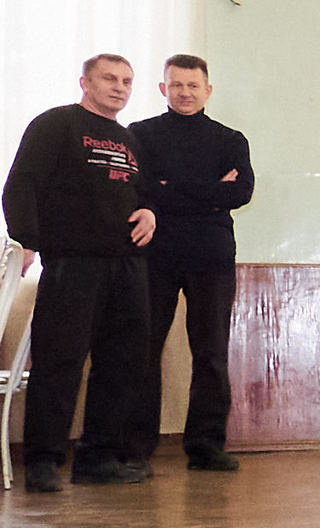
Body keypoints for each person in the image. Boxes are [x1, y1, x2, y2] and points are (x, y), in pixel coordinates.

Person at [3, 54, 157, 493]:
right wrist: (26, 239)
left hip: (127, 264)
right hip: (73, 262)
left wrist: (149, 211)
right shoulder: (56, 124)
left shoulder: (129, 139)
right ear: (85, 82)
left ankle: (98, 458)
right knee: (60, 360)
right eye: (109, 78)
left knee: (123, 363)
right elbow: (21, 184)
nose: (120, 87)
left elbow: (143, 193)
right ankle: (43, 462)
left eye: (127, 80)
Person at [126, 54, 253, 472]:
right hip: (153, 255)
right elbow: (140, 189)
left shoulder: (230, 139)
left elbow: (241, 193)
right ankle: (135, 450)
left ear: (207, 90)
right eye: (177, 85)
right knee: (144, 351)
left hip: (211, 257)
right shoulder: (139, 134)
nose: (185, 93)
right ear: (163, 89)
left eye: (193, 85)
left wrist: (170, 187)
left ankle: (206, 447)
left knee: (211, 352)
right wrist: (210, 192)